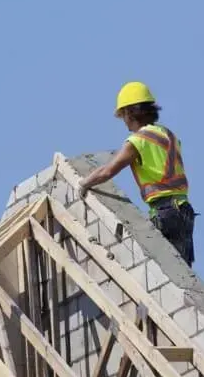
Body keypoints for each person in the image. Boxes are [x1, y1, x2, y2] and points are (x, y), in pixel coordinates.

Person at [78, 81, 196, 266]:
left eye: (123, 115)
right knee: (180, 269)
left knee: (158, 267)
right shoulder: (168, 135)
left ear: (129, 113)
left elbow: (108, 170)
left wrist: (84, 183)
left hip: (165, 211)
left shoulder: (139, 140)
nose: (123, 121)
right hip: (184, 210)